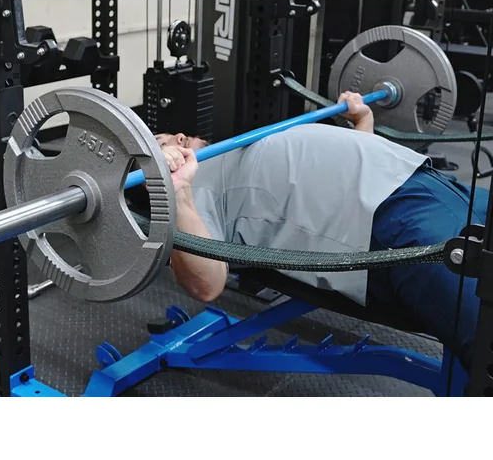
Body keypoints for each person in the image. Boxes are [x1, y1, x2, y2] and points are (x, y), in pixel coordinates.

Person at [152, 92, 489, 370]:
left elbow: (340, 170)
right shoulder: (196, 189)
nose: (178, 137)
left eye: (173, 135)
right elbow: (206, 284)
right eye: (161, 144)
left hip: (424, 178)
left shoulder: (235, 147)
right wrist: (177, 191)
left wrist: (363, 123)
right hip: (397, 220)